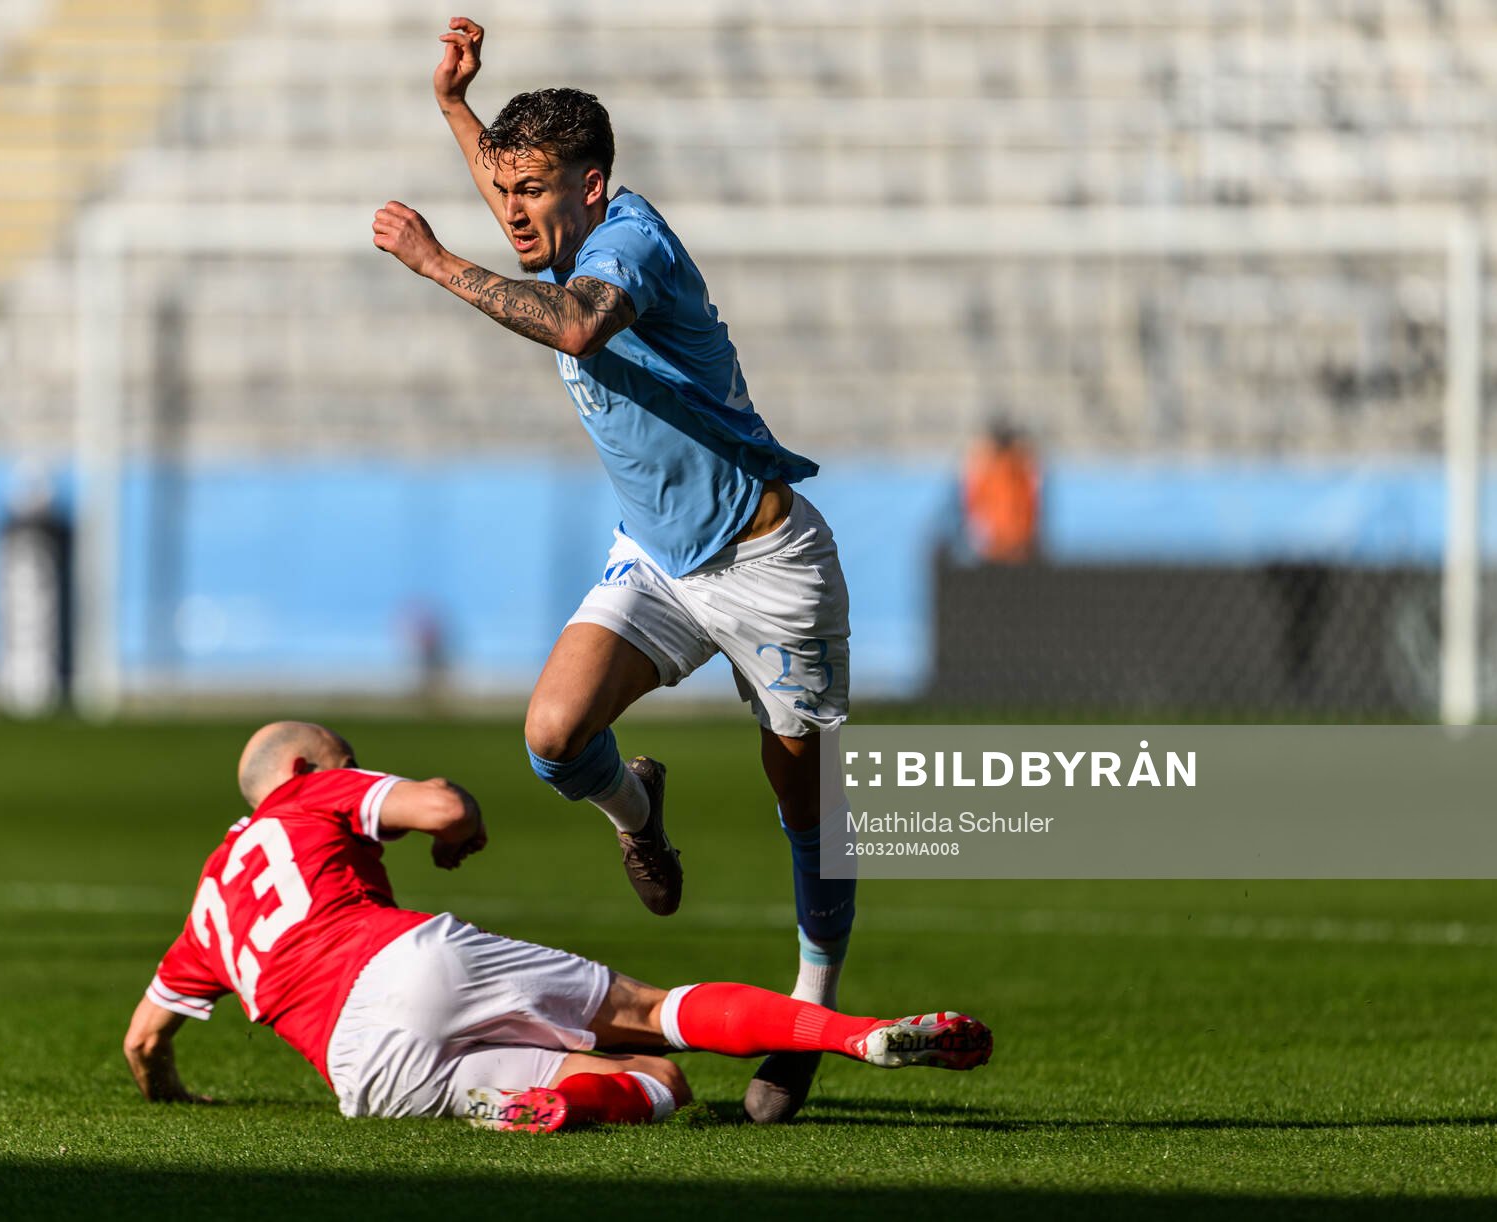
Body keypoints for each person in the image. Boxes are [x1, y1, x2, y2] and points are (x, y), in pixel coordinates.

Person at [370, 17, 855, 1123]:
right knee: (552, 738)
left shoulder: (628, 244)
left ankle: (811, 1013)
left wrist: (440, 260)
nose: (514, 211)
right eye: (506, 188)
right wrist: (456, 108)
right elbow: (517, 211)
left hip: (767, 563)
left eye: (535, 189)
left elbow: (581, 330)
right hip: (658, 558)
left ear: (595, 185)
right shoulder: (560, 217)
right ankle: (639, 811)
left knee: (810, 802)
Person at [123, 722, 992, 1131]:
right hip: (401, 961)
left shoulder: (207, 907)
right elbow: (442, 803)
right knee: (654, 1019)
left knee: (658, 1086)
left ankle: (549, 1105)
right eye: (347, 760)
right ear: (307, 767)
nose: (352, 769)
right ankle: (858, 1034)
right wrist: (460, 835)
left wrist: (173, 1094)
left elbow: (142, 1043)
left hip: (363, 1073)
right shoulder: (310, 789)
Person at [962, 420, 1040, 565]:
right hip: (997, 546)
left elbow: (1030, 505)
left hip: (1016, 546)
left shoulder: (1019, 468)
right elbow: (974, 507)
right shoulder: (987, 469)